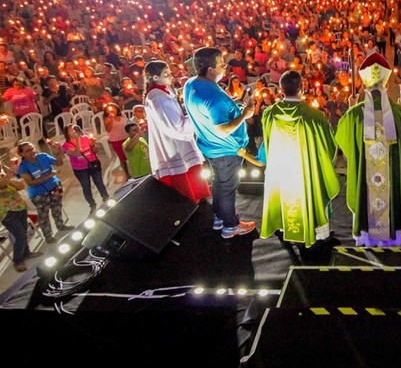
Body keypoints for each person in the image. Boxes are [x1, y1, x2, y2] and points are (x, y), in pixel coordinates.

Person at [335, 53, 401, 246]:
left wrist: (350, 108)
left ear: (363, 86)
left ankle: (368, 239)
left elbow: (343, 142)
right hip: (392, 183)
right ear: (387, 85)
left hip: (366, 184)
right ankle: (393, 238)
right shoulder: (398, 113)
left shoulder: (355, 115)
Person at [259, 70, 339, 247]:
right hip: (306, 171)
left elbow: (268, 142)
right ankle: (317, 232)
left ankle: (283, 226)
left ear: (281, 90)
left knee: (283, 195)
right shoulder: (314, 116)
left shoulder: (269, 114)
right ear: (302, 89)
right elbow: (329, 147)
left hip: (282, 170)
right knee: (313, 192)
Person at [183, 47, 256, 240]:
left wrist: (233, 106)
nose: (226, 67)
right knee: (227, 188)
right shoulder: (212, 96)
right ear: (210, 69)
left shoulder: (191, 84)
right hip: (226, 149)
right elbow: (223, 129)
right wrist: (244, 115)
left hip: (210, 147)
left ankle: (218, 217)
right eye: (222, 64)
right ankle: (230, 226)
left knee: (218, 183)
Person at [143, 60, 211, 203]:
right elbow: (174, 126)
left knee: (195, 186)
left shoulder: (164, 92)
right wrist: (195, 115)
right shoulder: (157, 97)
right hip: (173, 146)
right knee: (184, 190)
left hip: (180, 143)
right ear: (155, 77)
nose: (170, 76)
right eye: (166, 74)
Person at [0, 165, 35, 272]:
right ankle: (17, 260)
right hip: (7, 215)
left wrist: (8, 178)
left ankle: (26, 253)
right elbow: (0, 185)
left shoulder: (4, 180)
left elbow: (21, 186)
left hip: (20, 209)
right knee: (20, 236)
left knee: (23, 233)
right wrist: (9, 175)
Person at [15, 141, 71, 243]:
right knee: (44, 215)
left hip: (54, 186)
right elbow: (31, 183)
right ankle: (48, 235)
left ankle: (60, 225)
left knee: (57, 207)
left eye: (32, 148)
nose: (32, 151)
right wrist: (49, 175)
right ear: (21, 154)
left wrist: (57, 153)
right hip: (38, 193)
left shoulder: (43, 156)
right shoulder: (22, 167)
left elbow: (59, 163)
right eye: (28, 151)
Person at [61, 124, 110, 212]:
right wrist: (78, 139)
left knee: (99, 182)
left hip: (93, 164)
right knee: (86, 186)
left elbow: (95, 150)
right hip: (80, 169)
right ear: (66, 133)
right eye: (71, 130)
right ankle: (92, 204)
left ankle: (106, 198)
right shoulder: (66, 145)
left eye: (74, 129)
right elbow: (77, 153)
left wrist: (93, 145)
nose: (74, 131)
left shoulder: (86, 138)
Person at [102, 103, 130, 179]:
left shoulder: (122, 115)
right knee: (122, 157)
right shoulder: (107, 119)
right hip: (116, 140)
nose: (112, 111)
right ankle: (127, 174)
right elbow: (108, 129)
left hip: (126, 137)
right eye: (109, 110)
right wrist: (111, 120)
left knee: (130, 154)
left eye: (113, 109)